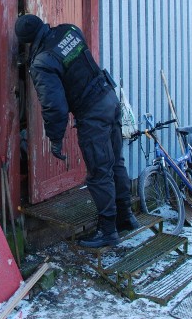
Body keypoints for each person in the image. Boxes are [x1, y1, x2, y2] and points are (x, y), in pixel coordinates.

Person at [15, 13, 139, 248]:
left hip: (92, 113)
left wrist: (55, 139)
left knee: (99, 173)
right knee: (115, 163)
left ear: (27, 42)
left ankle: (108, 231)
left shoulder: (42, 61)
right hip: (109, 99)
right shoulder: (69, 30)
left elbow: (54, 106)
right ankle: (126, 217)